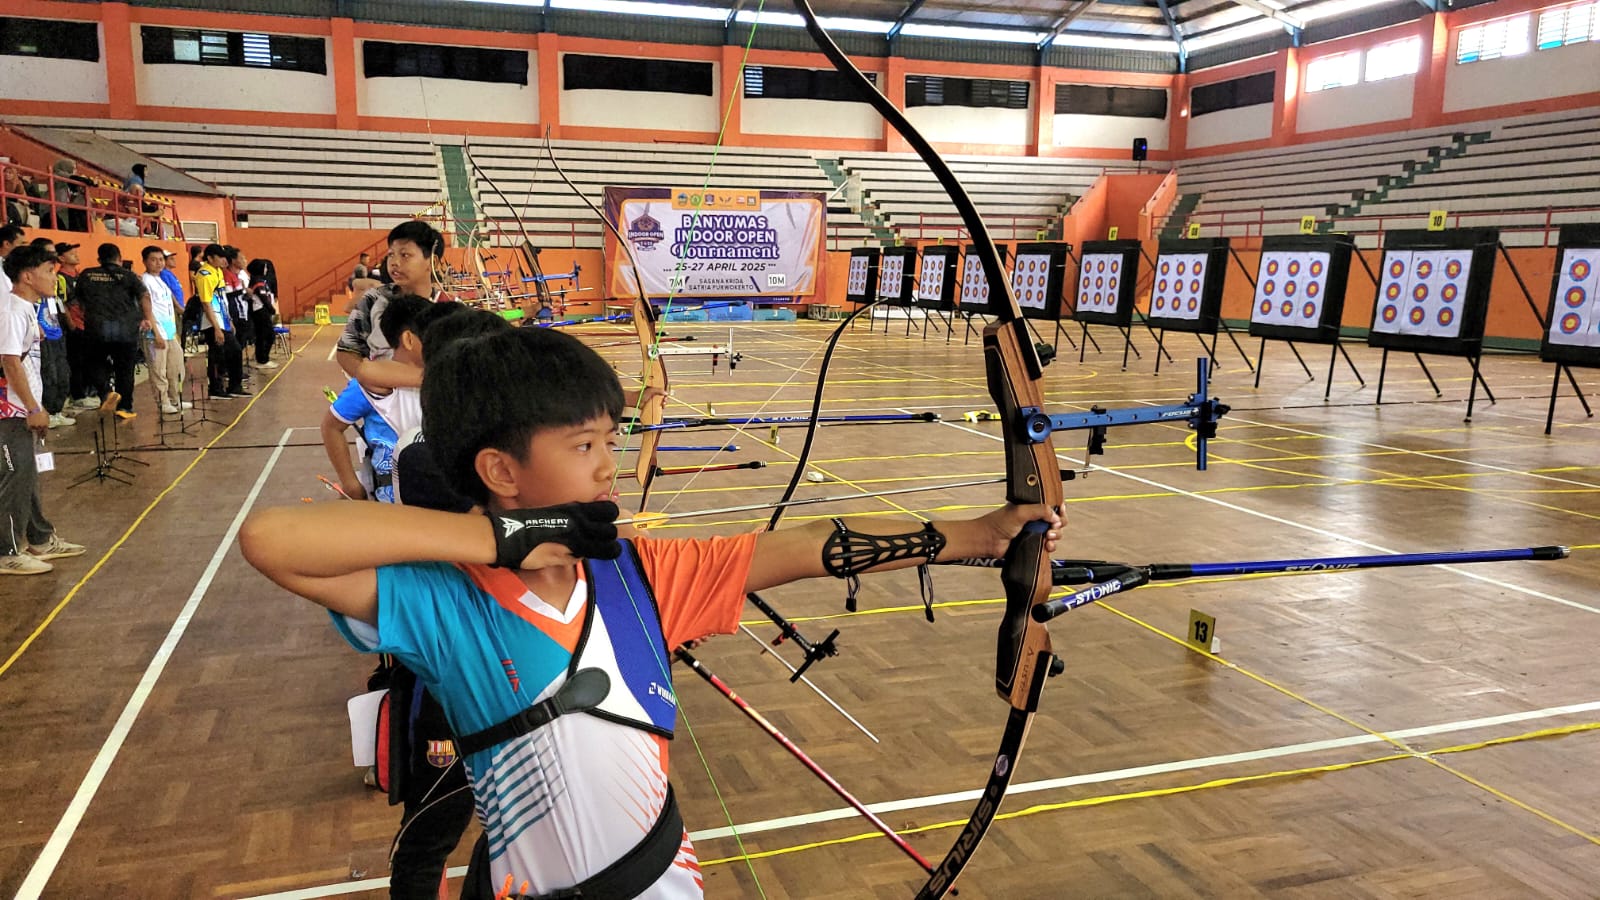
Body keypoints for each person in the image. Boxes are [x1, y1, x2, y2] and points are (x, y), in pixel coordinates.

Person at [241, 325, 1063, 897]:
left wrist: (980, 534)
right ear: (500, 469)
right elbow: (273, 540)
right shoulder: (441, 600)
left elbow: (811, 545)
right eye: (585, 446)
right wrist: (500, 541)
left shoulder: (644, 575)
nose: (611, 469)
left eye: (611, 440)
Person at [1, 243, 86, 575]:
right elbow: (9, 362)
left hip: (25, 407)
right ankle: (6, 552)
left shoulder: (26, 309)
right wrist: (33, 407)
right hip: (10, 411)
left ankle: (39, 538)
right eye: (49, 271)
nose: (55, 277)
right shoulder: (10, 311)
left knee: (28, 476)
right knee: (14, 477)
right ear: (27, 275)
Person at [320, 294, 429, 504]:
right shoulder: (366, 385)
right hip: (390, 501)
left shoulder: (439, 378)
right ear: (408, 339)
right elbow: (331, 427)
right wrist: (350, 483)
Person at [337, 221, 449, 393]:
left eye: (405, 255)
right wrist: (374, 388)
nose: (394, 262)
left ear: (432, 261)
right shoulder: (373, 300)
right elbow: (346, 351)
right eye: (391, 255)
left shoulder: (448, 308)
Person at [72, 243, 148, 419]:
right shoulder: (129, 275)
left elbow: (79, 299)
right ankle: (125, 408)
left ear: (99, 259)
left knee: (94, 362)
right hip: (125, 329)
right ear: (119, 258)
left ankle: (106, 392)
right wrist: (146, 318)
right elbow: (144, 296)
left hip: (97, 327)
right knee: (125, 369)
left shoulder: (86, 274)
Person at [24, 240, 73, 428]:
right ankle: (48, 410)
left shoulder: (52, 278)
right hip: (43, 335)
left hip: (57, 332)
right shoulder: (31, 285)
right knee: (49, 374)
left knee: (62, 373)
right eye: (49, 252)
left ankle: (57, 411)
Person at [194, 243, 247, 399]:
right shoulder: (204, 274)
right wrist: (216, 327)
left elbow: (222, 298)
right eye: (220, 257)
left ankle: (234, 386)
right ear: (210, 258)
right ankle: (216, 389)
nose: (225, 260)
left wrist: (228, 320)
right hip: (212, 322)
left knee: (234, 350)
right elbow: (206, 302)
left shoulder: (217, 272)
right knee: (217, 354)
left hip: (222, 320)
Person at [139, 245, 187, 415]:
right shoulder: (145, 281)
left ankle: (175, 398)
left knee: (175, 366)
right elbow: (147, 309)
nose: (158, 263)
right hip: (156, 332)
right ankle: (163, 401)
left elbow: (169, 303)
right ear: (145, 261)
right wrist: (156, 333)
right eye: (153, 259)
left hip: (169, 331)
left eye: (161, 259)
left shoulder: (160, 280)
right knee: (158, 370)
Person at [245, 259, 278, 369]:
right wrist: (271, 309)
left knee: (262, 336)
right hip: (261, 311)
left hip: (262, 311)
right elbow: (263, 296)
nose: (266, 269)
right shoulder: (257, 281)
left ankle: (262, 358)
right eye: (264, 267)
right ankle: (263, 359)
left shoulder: (260, 280)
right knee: (268, 336)